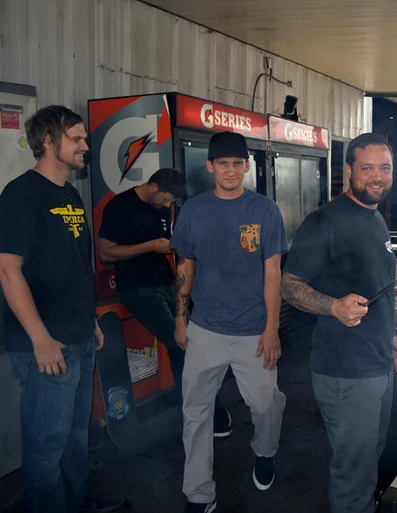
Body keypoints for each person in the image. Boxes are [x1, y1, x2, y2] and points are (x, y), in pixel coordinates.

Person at [0, 105, 124, 513]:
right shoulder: (21, 194)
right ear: (48, 142)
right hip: (47, 344)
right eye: (77, 138)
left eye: (84, 137)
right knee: (45, 444)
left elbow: (72, 263)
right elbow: (7, 270)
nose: (86, 145)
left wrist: (89, 321)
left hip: (79, 337)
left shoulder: (69, 193)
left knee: (75, 433)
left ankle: (76, 501)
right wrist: (40, 339)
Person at [281, 132, 397, 513]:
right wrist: (333, 306)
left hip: (376, 363)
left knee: (371, 459)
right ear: (348, 170)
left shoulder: (375, 219)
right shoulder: (325, 221)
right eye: (367, 167)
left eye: (384, 168)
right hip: (344, 373)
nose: (377, 176)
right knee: (353, 475)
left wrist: (390, 336)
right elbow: (289, 286)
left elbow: (375, 289)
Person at [171, 131, 287, 513]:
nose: (231, 170)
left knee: (266, 405)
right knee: (195, 413)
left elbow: (273, 274)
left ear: (247, 166)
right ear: (210, 166)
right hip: (205, 328)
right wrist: (180, 318)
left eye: (238, 163)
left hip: (254, 330)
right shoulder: (193, 210)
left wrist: (272, 329)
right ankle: (199, 492)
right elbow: (184, 267)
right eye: (223, 164)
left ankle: (264, 451)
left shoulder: (264, 210)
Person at [98, 168, 232, 437]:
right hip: (137, 288)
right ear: (153, 185)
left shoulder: (162, 208)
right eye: (166, 199)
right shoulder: (119, 206)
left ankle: (200, 411)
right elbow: (104, 253)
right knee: (180, 343)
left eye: (172, 202)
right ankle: (204, 412)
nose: (168, 206)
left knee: (190, 341)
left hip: (166, 283)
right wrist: (149, 246)